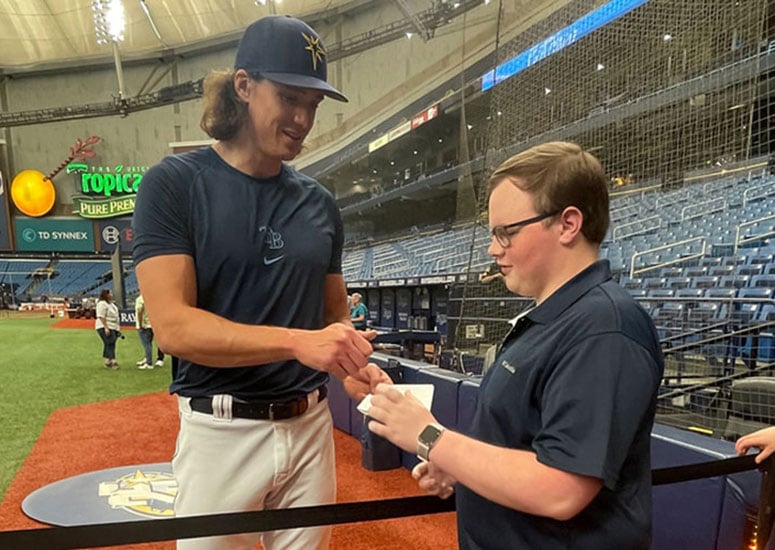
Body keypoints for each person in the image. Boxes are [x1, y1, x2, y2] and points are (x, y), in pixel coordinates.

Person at [132, 15, 390, 550]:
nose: (302, 119)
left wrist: (351, 366)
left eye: (313, 105)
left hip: (310, 427)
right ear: (244, 86)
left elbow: (332, 315)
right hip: (219, 433)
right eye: (291, 98)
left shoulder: (319, 203)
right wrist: (297, 342)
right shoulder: (174, 184)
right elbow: (175, 329)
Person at [367, 141, 665, 549]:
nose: (493, 249)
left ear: (567, 224)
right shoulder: (559, 316)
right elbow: (520, 445)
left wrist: (430, 438)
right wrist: (456, 467)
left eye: (506, 232)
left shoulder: (605, 326)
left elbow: (560, 489)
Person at [134, 294, 164, 369]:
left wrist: (140, 324)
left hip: (145, 325)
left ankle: (149, 362)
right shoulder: (153, 298)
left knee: (147, 344)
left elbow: (139, 311)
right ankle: (149, 359)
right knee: (152, 343)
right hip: (153, 324)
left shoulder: (140, 299)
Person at [95, 289, 120, 370]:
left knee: (110, 343)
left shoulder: (111, 304)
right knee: (110, 342)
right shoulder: (102, 304)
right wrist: (106, 327)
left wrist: (117, 328)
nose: (112, 294)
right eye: (110, 293)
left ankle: (108, 360)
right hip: (104, 325)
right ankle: (113, 360)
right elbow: (101, 316)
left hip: (113, 326)